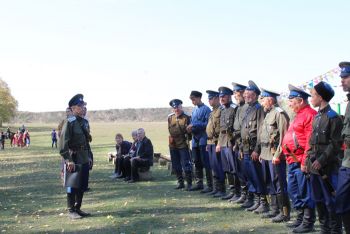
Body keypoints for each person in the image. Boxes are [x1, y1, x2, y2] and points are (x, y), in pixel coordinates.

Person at [306, 81, 343, 233]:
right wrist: (309, 162)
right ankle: (324, 228)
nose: (311, 98)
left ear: (321, 97)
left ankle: (335, 230)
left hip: (327, 167)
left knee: (331, 200)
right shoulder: (317, 117)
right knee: (318, 200)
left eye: (313, 95)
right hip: (314, 167)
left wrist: (321, 161)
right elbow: (311, 142)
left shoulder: (333, 117)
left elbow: (335, 144)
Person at [281, 84, 317, 233]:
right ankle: (300, 217)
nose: (289, 104)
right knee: (293, 189)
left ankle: (308, 222)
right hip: (292, 160)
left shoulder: (309, 114)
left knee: (305, 191)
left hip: (301, 160)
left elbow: (310, 140)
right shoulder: (297, 115)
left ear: (300, 100)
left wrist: (305, 161)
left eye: (291, 101)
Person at [259, 88, 291, 221]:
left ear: (270, 100)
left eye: (263, 99)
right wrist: (261, 152)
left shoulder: (279, 113)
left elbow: (284, 136)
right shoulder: (268, 113)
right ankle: (274, 209)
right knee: (269, 182)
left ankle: (284, 212)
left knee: (279, 183)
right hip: (266, 153)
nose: (261, 102)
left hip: (275, 155)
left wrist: (277, 154)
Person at [58, 94, 91, 219]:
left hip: (83, 156)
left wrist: (89, 156)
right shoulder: (69, 122)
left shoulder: (84, 122)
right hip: (74, 157)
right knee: (72, 184)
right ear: (73, 108)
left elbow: (86, 141)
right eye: (80, 106)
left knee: (82, 184)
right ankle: (71, 210)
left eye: (83, 106)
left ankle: (78, 208)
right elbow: (62, 144)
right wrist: (68, 160)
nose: (82, 108)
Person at [187, 91, 212, 192]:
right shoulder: (194, 110)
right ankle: (199, 183)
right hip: (195, 140)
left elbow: (207, 124)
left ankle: (210, 185)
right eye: (191, 100)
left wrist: (194, 125)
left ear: (199, 98)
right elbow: (192, 123)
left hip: (203, 139)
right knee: (196, 162)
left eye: (194, 99)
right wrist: (189, 128)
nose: (193, 101)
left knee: (205, 162)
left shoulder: (206, 109)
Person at [217, 86, 238, 199]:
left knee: (234, 168)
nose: (222, 98)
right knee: (227, 168)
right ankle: (232, 191)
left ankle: (237, 192)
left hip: (231, 142)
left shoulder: (234, 108)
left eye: (224, 96)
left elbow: (236, 128)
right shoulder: (222, 109)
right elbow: (222, 128)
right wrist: (219, 143)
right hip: (224, 142)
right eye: (220, 96)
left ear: (229, 96)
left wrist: (235, 143)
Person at [168, 99, 193, 190]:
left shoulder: (186, 117)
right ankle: (180, 182)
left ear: (181, 107)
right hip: (173, 144)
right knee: (176, 164)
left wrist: (188, 137)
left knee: (186, 164)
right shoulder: (170, 118)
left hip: (183, 144)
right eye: (174, 108)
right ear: (172, 109)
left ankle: (189, 184)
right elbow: (170, 130)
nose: (176, 109)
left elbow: (190, 133)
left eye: (178, 107)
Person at [337, 61, 350, 234]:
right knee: (341, 202)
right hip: (347, 161)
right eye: (341, 77)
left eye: (346, 77)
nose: (342, 81)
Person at [231, 82, 248, 204]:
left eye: (237, 93)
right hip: (238, 143)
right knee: (240, 171)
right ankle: (244, 195)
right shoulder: (237, 108)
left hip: (246, 144)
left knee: (247, 173)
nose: (235, 96)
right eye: (235, 94)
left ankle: (249, 197)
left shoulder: (248, 107)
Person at [205, 91, 225, 197]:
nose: (209, 101)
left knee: (219, 166)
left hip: (218, 141)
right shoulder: (212, 112)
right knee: (213, 166)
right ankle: (216, 188)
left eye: (211, 98)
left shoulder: (221, 110)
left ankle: (221, 189)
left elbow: (222, 128)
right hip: (211, 141)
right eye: (209, 99)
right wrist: (208, 143)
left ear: (217, 98)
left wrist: (220, 143)